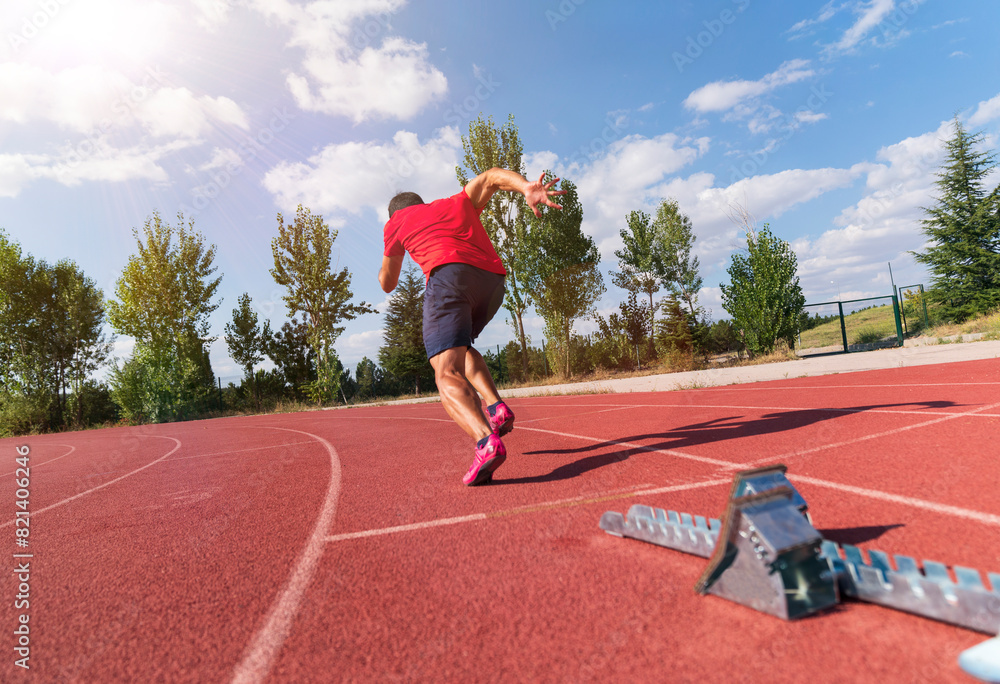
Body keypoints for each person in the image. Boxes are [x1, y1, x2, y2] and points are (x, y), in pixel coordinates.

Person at [379, 168, 564, 486]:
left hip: (449, 278)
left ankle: (485, 442)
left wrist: (394, 254)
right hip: (492, 282)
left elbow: (388, 283)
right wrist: (525, 188)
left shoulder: (395, 223)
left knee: (445, 371)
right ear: (422, 203)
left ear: (395, 213)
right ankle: (496, 406)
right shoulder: (454, 202)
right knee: (460, 351)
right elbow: (491, 176)